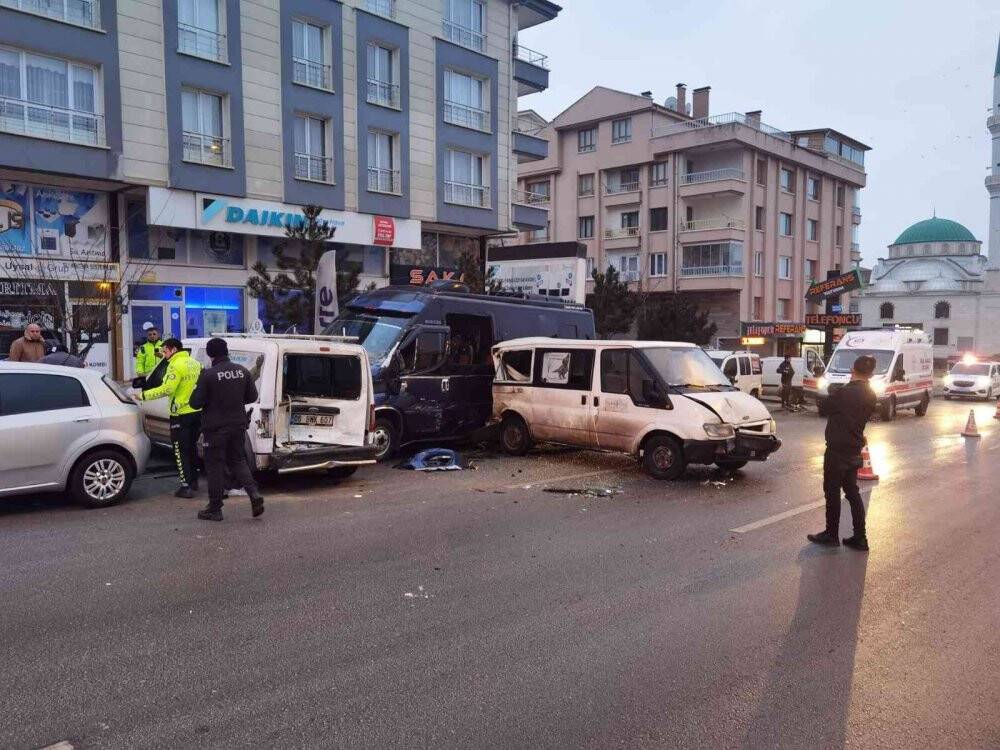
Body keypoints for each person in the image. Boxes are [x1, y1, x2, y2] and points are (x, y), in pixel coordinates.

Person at [808, 354, 878, 551]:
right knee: (852, 492)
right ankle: (860, 537)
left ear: (852, 370)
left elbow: (824, 408)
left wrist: (831, 391)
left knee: (832, 492)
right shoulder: (871, 394)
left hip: (837, 449)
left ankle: (831, 534)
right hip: (855, 448)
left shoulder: (844, 392)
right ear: (871, 373)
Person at [190, 337, 264, 521]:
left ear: (209, 354)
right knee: (238, 461)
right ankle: (254, 494)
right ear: (227, 351)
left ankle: (215, 508)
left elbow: (194, 403)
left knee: (214, 466)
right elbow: (252, 397)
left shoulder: (208, 374)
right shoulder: (242, 372)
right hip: (238, 425)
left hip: (215, 429)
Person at [137, 338, 202, 498]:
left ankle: (185, 486)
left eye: (165, 351)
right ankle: (193, 481)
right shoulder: (195, 363)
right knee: (192, 447)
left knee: (180, 450)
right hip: (196, 412)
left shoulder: (175, 365)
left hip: (179, 415)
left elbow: (167, 389)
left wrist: (143, 395)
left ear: (173, 350)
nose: (164, 354)